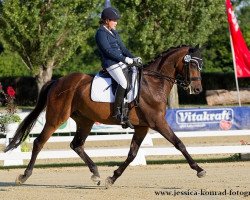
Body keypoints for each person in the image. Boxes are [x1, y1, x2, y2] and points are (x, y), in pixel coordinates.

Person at [95, 7, 141, 128]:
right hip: (110, 63)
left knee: (134, 78)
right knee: (124, 83)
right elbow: (107, 50)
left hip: (120, 61)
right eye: (114, 20)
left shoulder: (113, 32)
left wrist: (133, 58)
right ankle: (117, 113)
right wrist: (125, 59)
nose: (116, 22)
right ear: (106, 20)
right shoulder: (100, 33)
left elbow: (123, 48)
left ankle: (126, 110)